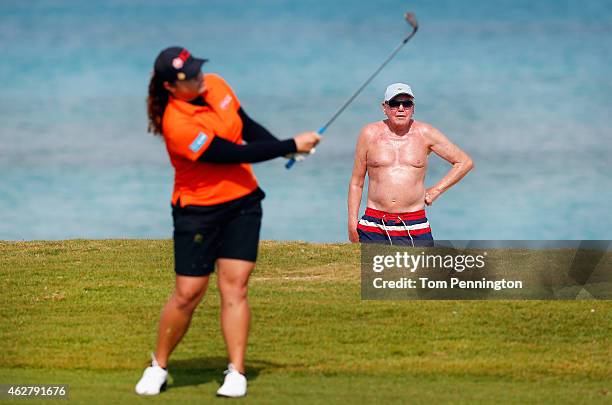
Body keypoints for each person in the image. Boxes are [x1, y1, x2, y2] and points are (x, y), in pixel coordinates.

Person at [135, 46, 320, 397]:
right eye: (189, 76)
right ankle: (158, 365)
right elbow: (229, 154)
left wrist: (286, 148)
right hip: (197, 211)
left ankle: (236, 371)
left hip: (243, 204)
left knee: (235, 287)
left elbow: (246, 128)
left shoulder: (217, 84)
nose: (198, 76)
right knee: (188, 294)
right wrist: (291, 143)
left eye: (196, 69)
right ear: (171, 88)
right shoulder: (176, 122)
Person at [348, 83, 473, 246]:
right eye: (394, 104)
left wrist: (435, 191)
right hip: (374, 224)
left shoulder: (425, 133)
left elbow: (463, 162)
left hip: (414, 224)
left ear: (413, 108)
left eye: (406, 104)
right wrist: (352, 222)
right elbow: (357, 183)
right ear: (384, 107)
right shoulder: (369, 134)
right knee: (375, 271)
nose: (401, 108)